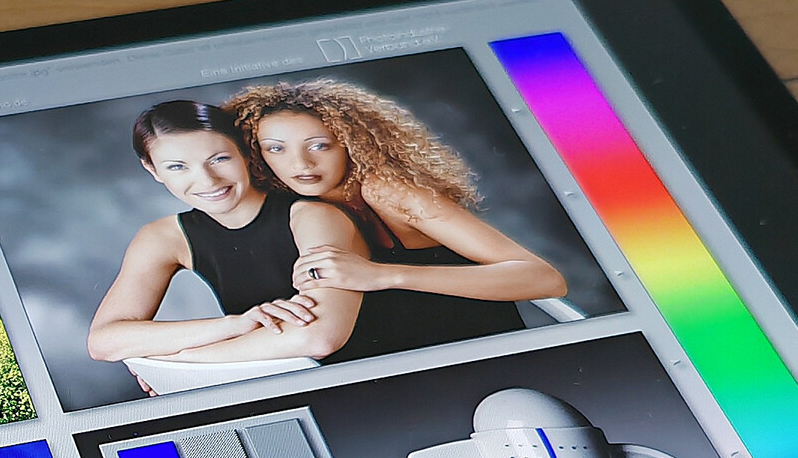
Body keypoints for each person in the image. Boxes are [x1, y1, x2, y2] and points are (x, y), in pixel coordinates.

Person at [225, 79, 571, 354]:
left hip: (479, 351)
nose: (300, 164)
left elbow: (545, 279)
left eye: (319, 145)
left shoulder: (387, 191)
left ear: (351, 143)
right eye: (276, 148)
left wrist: (383, 275)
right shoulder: (285, 206)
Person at [86, 101, 368, 381]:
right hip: (275, 389)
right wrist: (233, 325)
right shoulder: (164, 237)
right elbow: (103, 342)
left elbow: (318, 337)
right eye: (177, 167)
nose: (208, 181)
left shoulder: (313, 217)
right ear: (152, 170)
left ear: (244, 152)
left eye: (219, 159)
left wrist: (175, 362)